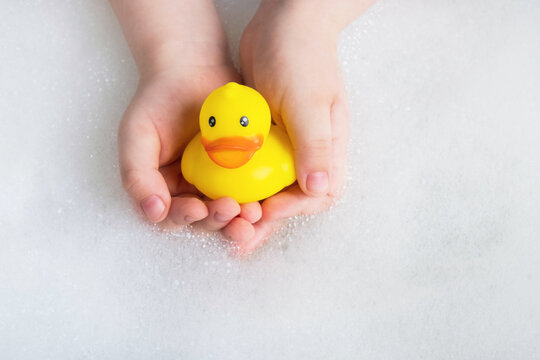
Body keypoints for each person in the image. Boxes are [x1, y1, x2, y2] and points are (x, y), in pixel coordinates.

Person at [110, 0, 375, 255]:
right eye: (212, 122)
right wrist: (183, 48)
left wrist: (307, 18)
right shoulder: (196, 160)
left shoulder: (281, 157)